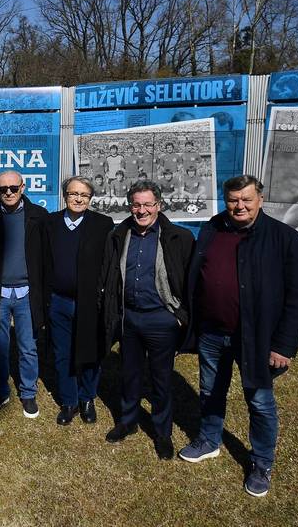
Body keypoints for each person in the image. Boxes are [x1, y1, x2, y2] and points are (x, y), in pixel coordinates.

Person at [179, 175, 298, 498]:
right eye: (233, 200)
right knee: (210, 391)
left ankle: (262, 462)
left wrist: (284, 344)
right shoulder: (213, 228)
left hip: (257, 339)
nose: (239, 206)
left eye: (246, 199)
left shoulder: (284, 238)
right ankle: (209, 440)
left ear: (260, 200)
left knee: (260, 401)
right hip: (212, 332)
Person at [99, 181, 194, 460]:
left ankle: (162, 432)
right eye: (136, 205)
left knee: (161, 379)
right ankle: (128, 422)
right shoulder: (119, 235)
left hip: (161, 320)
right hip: (129, 318)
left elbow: (189, 282)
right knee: (130, 375)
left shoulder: (178, 237)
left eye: (147, 205)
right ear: (131, 206)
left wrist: (180, 316)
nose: (142, 210)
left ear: (159, 205)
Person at [33, 177, 113, 426]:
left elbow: (109, 263)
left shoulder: (102, 224)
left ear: (91, 199)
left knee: (90, 351)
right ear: (64, 195)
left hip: (89, 302)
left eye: (84, 195)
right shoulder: (51, 223)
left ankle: (87, 398)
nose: (78, 199)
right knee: (62, 353)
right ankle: (68, 401)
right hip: (58, 301)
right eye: (73, 193)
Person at [0, 170, 47, 418]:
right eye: (3, 189)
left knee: (28, 346)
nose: (9, 193)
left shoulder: (39, 216)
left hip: (27, 293)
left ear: (23, 187)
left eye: (13, 188)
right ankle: (0, 392)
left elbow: (47, 260)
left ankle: (28, 394)